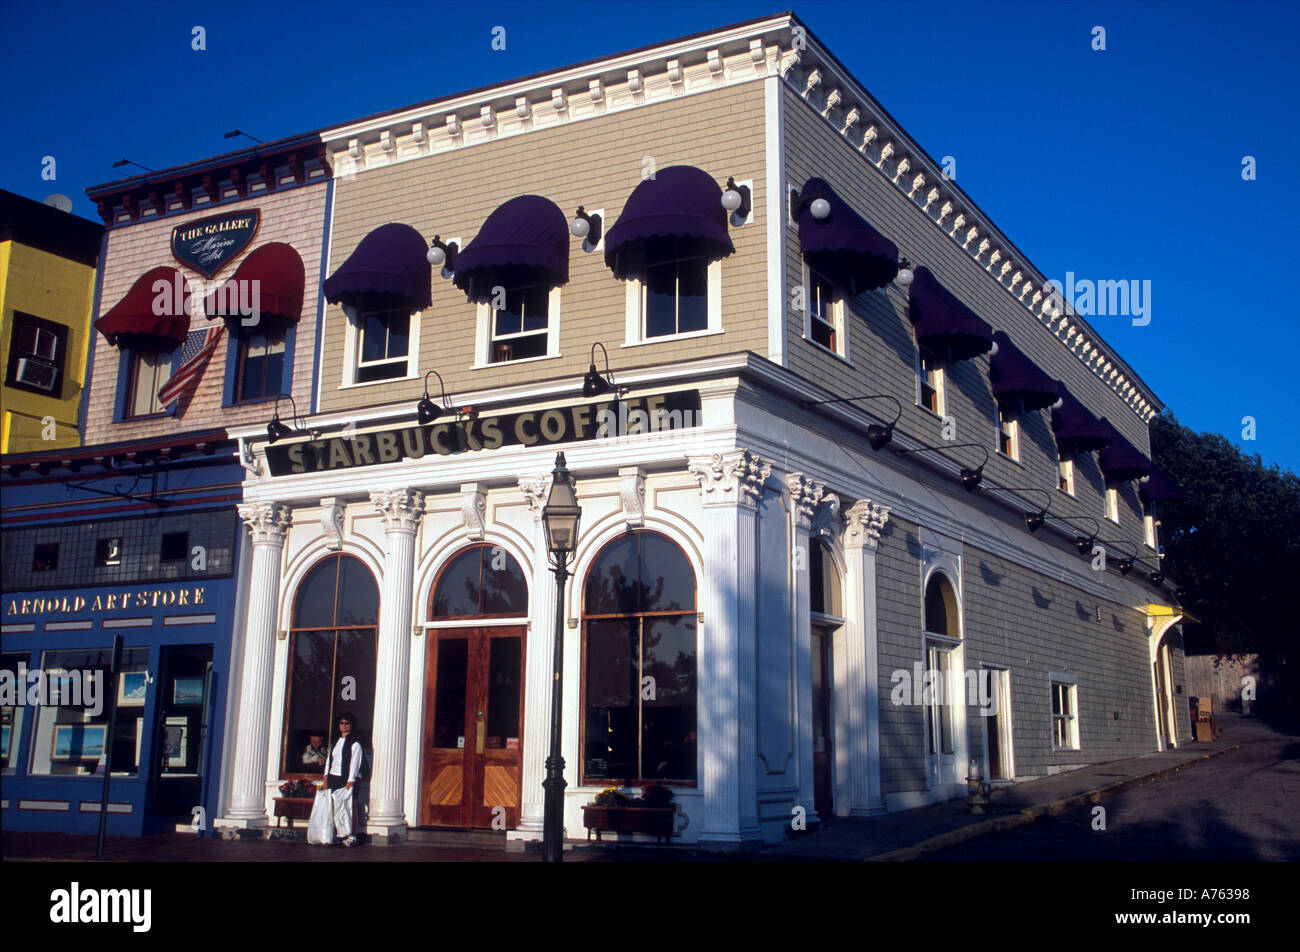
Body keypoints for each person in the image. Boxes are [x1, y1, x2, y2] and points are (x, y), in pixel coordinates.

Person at [322, 712, 363, 846]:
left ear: (351, 725)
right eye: (341, 723)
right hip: (334, 777)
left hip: (347, 779)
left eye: (346, 723)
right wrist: (325, 777)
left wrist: (351, 780)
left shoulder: (355, 742)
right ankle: (339, 834)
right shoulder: (336, 741)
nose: (343, 725)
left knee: (351, 806)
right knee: (336, 807)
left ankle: (353, 835)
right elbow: (330, 759)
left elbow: (355, 762)